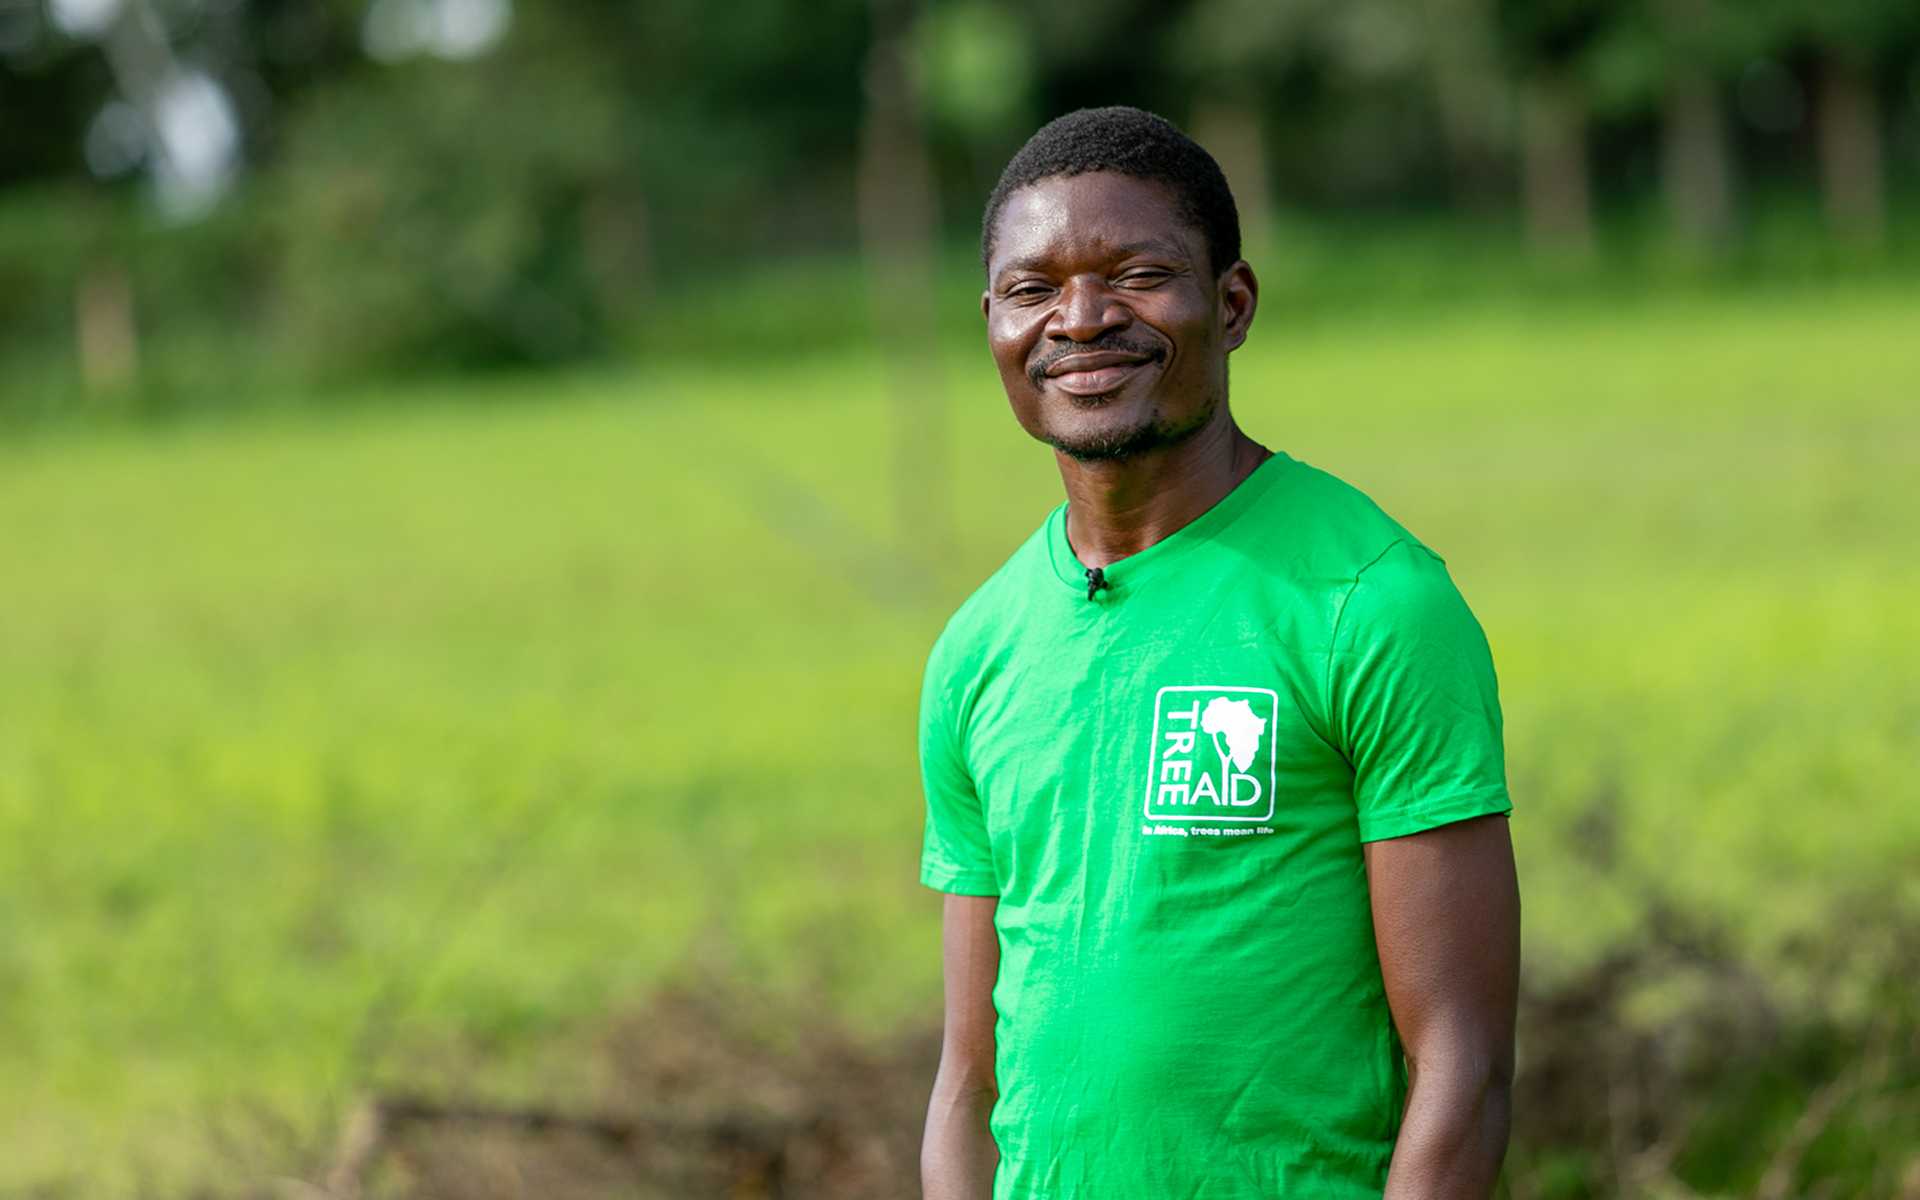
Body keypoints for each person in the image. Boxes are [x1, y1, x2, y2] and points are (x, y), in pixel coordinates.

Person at [917, 106, 1520, 1200]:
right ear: (995, 322)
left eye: (1138, 274)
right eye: (1033, 288)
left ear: (1231, 304)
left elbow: (1462, 1068)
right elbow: (968, 1081)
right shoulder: (978, 650)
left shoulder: (1370, 602)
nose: (1082, 318)